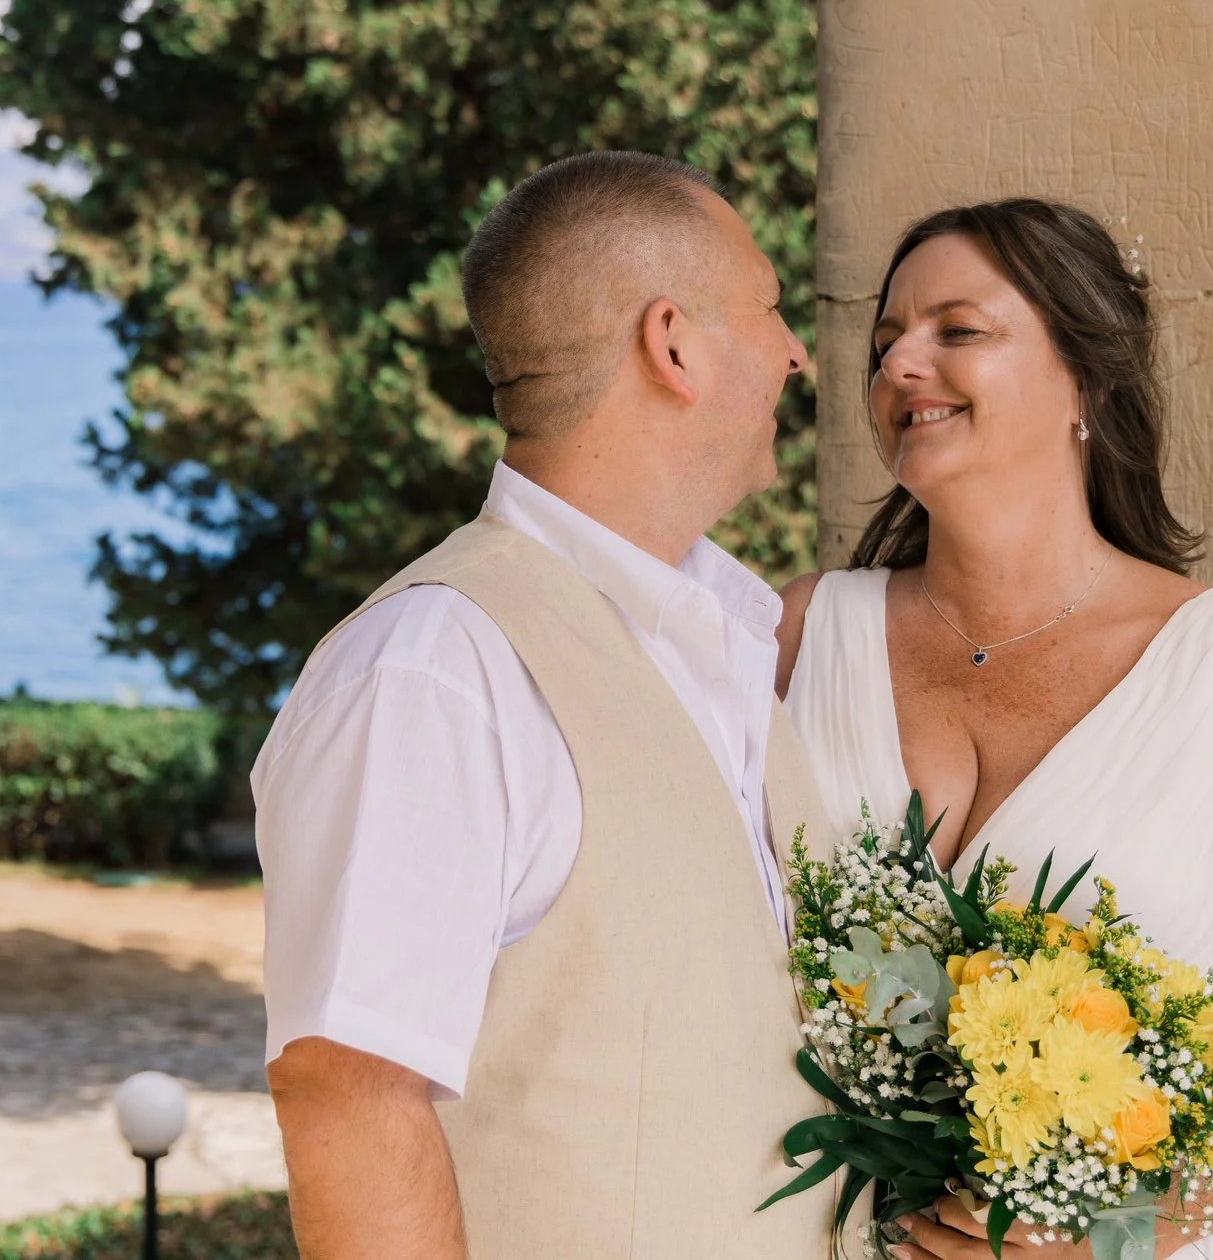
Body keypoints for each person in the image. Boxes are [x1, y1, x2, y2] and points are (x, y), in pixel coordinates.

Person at [777, 199, 1213, 1259]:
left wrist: (1126, 1225)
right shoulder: (795, 638)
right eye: (884, 338)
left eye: (956, 329)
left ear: (1084, 380)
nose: (900, 359)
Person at [255, 150, 834, 1260]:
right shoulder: (433, 669)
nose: (795, 349)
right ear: (672, 344)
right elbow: (349, 1098)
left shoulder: (735, 646)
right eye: (766, 307)